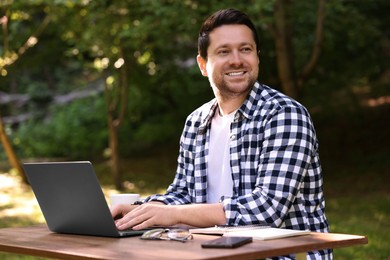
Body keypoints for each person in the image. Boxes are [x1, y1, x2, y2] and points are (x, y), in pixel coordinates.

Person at [111, 9, 332, 259]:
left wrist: (172, 214)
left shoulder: (285, 115)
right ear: (203, 64)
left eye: (245, 49)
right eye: (224, 51)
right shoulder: (196, 122)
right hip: (211, 253)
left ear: (257, 57)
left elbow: (266, 209)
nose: (237, 60)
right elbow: (183, 193)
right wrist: (142, 210)